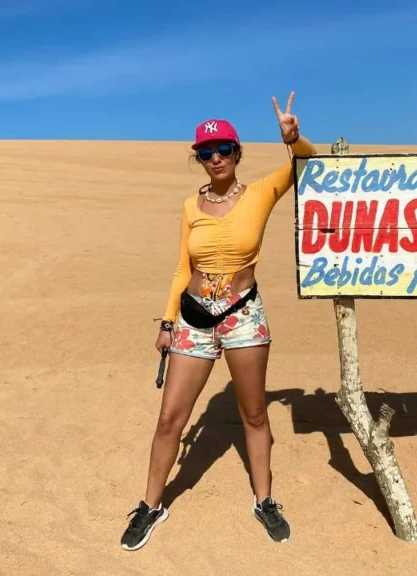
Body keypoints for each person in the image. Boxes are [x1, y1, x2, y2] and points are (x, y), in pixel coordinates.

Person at [120, 92, 317, 551]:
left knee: (252, 413)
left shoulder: (263, 191)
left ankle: (265, 500)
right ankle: (150, 505)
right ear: (199, 159)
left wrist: (294, 137)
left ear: (237, 153)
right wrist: (167, 322)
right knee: (171, 418)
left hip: (243, 314)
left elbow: (309, 165)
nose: (215, 158)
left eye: (223, 149)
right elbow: (180, 269)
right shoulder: (191, 207)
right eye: (205, 152)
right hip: (193, 319)